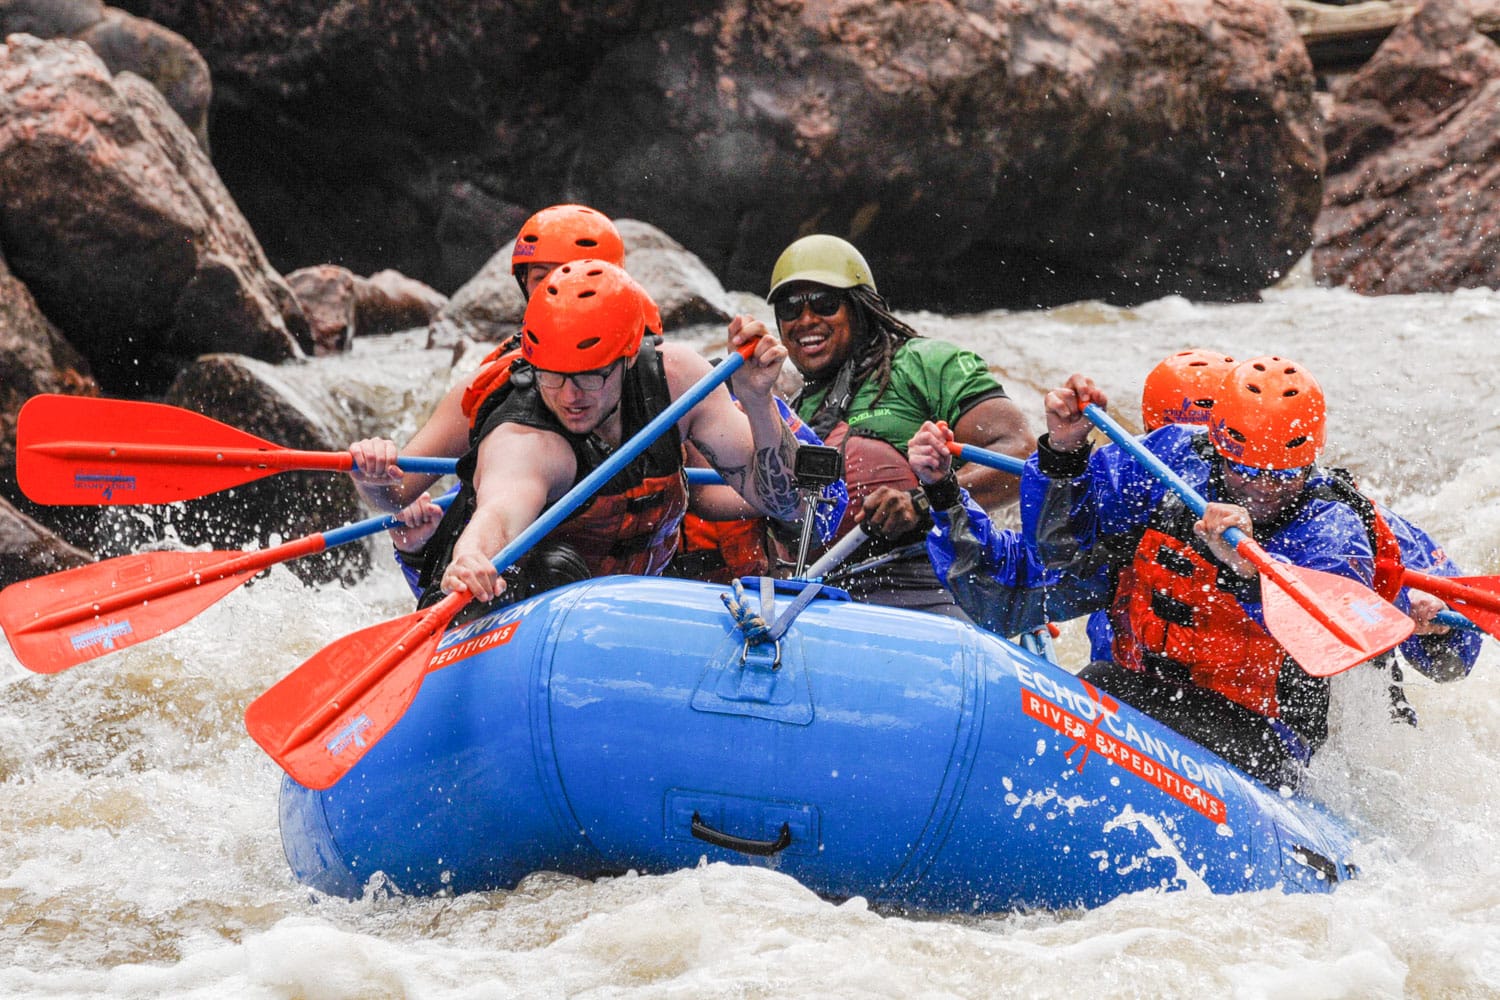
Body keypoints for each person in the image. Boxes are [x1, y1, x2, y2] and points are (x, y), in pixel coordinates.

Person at [1021, 357, 1426, 787]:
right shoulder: (1170, 458)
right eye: (1245, 470)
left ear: (1310, 460)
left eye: (1283, 476)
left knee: (1103, 689)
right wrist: (1062, 454)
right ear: (1218, 444)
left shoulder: (1333, 528)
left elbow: (1328, 638)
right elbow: (1057, 550)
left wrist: (1247, 575)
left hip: (1268, 739)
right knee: (1096, 684)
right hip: (1149, 690)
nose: (1262, 489)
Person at [353, 259, 803, 613]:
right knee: (555, 569)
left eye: (591, 376)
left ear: (629, 356)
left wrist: (759, 402)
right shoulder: (526, 439)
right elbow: (499, 513)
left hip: (637, 595)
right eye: (553, 375)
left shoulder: (677, 379)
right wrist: (471, 557)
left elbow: (781, 501)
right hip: (529, 604)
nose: (570, 396)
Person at [768, 234, 1035, 616]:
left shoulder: (926, 363)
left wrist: (922, 503)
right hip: (818, 592)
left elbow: (1020, 454)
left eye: (825, 303)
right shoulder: (789, 408)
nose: (806, 320)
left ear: (860, 307)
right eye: (790, 308)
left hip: (924, 577)